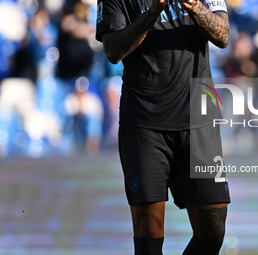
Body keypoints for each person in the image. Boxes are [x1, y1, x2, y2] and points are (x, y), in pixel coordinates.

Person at [95, 0, 231, 254]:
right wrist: (153, 11)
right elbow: (113, 51)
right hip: (145, 122)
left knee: (213, 231)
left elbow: (223, 35)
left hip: (198, 121)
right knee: (149, 236)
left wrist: (193, 5)